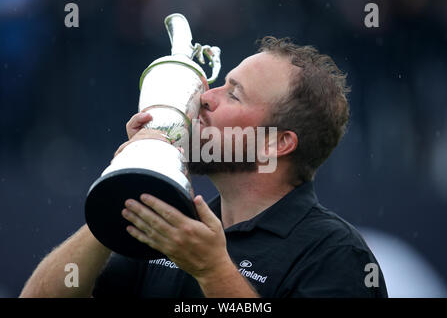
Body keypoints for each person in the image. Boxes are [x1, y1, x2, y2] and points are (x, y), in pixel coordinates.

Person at [20, 37, 388, 298]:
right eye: (219, 84)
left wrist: (213, 271)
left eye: (233, 94)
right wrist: (127, 179)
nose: (203, 98)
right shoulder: (168, 223)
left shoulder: (335, 254)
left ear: (276, 143)